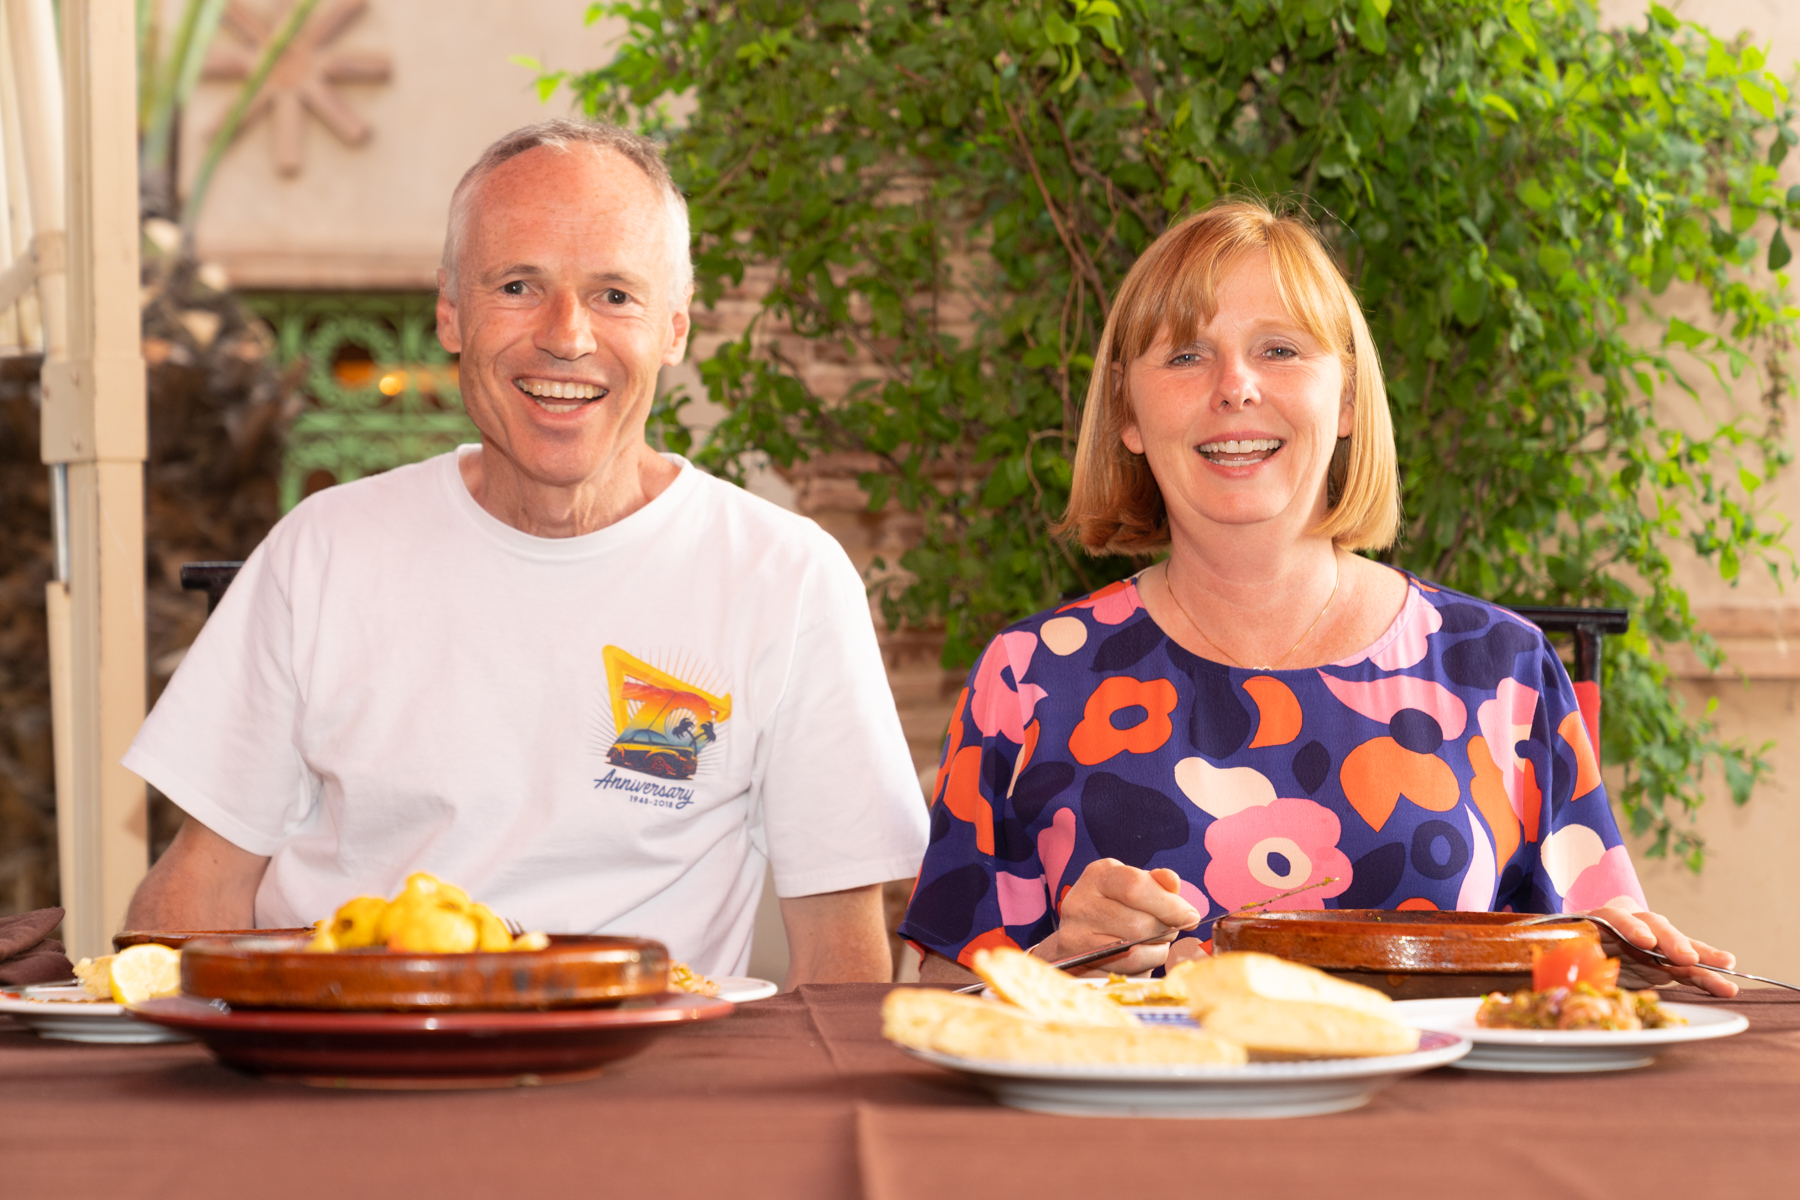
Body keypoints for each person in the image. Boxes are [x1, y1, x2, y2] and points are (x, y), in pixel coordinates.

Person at [122, 119, 929, 983]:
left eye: (616, 295)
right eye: (518, 285)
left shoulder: (786, 577)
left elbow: (843, 964)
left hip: (640, 1088)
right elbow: (195, 896)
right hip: (352, 1070)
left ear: (676, 329)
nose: (567, 335)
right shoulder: (322, 552)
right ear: (450, 312)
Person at [899, 199, 1739, 996]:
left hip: (1443, 1145)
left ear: (1344, 398)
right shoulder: (1029, 679)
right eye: (1186, 355)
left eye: (1280, 349)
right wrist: (1060, 964)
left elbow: (1593, 963)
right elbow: (933, 1008)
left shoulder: (1504, 670)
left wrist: (1633, 962)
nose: (1235, 386)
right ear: (1127, 411)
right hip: (1139, 1143)